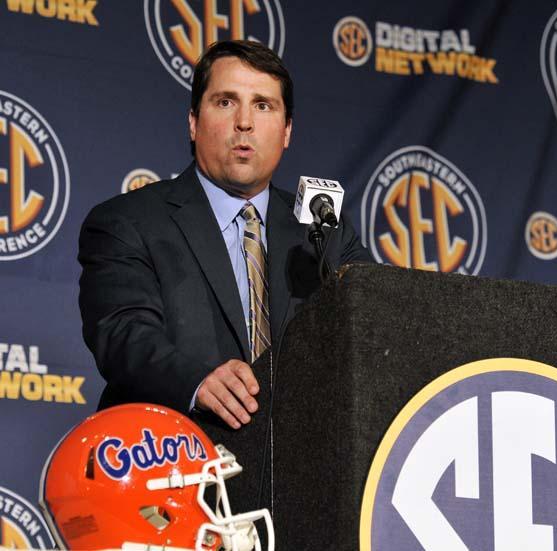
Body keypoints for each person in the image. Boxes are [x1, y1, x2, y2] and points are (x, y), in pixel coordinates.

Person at [78, 40, 371, 434]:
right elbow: (125, 334)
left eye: (263, 105)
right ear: (194, 122)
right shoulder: (128, 221)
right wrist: (197, 382)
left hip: (301, 471)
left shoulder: (322, 232)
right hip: (177, 461)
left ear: (286, 132)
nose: (245, 122)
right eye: (226, 102)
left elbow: (372, 328)